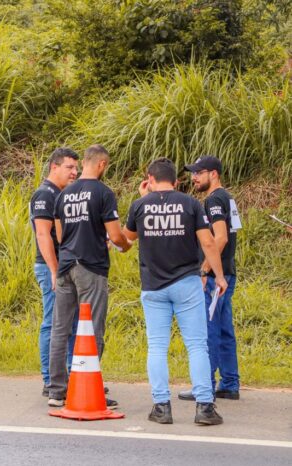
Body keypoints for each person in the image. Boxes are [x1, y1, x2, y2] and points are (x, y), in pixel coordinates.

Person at [123, 158, 227, 425]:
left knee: (157, 347)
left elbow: (126, 240)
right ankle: (205, 407)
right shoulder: (190, 204)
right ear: (176, 181)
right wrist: (218, 275)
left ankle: (161, 407)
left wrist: (144, 199)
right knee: (196, 346)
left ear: (149, 178)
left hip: (153, 286)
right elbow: (208, 241)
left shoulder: (140, 205)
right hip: (187, 283)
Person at [46, 144, 131, 408]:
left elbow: (60, 236)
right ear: (102, 165)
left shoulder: (63, 194)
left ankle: (56, 391)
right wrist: (125, 245)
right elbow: (116, 235)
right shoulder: (104, 193)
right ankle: (88, 385)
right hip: (91, 267)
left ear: (84, 162)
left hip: (66, 266)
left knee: (60, 328)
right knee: (93, 329)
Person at [179, 156, 241, 401]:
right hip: (227, 272)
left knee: (209, 329)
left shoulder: (214, 199)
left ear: (213, 174)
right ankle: (229, 383)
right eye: (192, 173)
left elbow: (221, 237)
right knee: (225, 329)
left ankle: (205, 385)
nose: (194, 177)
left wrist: (205, 269)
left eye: (199, 172)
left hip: (217, 276)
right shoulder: (227, 197)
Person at [29, 147, 79, 397]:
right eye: (69, 167)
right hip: (51, 266)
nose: (75, 172)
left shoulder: (62, 194)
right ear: (54, 167)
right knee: (53, 323)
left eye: (76, 168)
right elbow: (42, 234)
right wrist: (53, 270)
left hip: (66, 266)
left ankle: (71, 377)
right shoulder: (45, 194)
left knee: (69, 324)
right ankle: (50, 380)